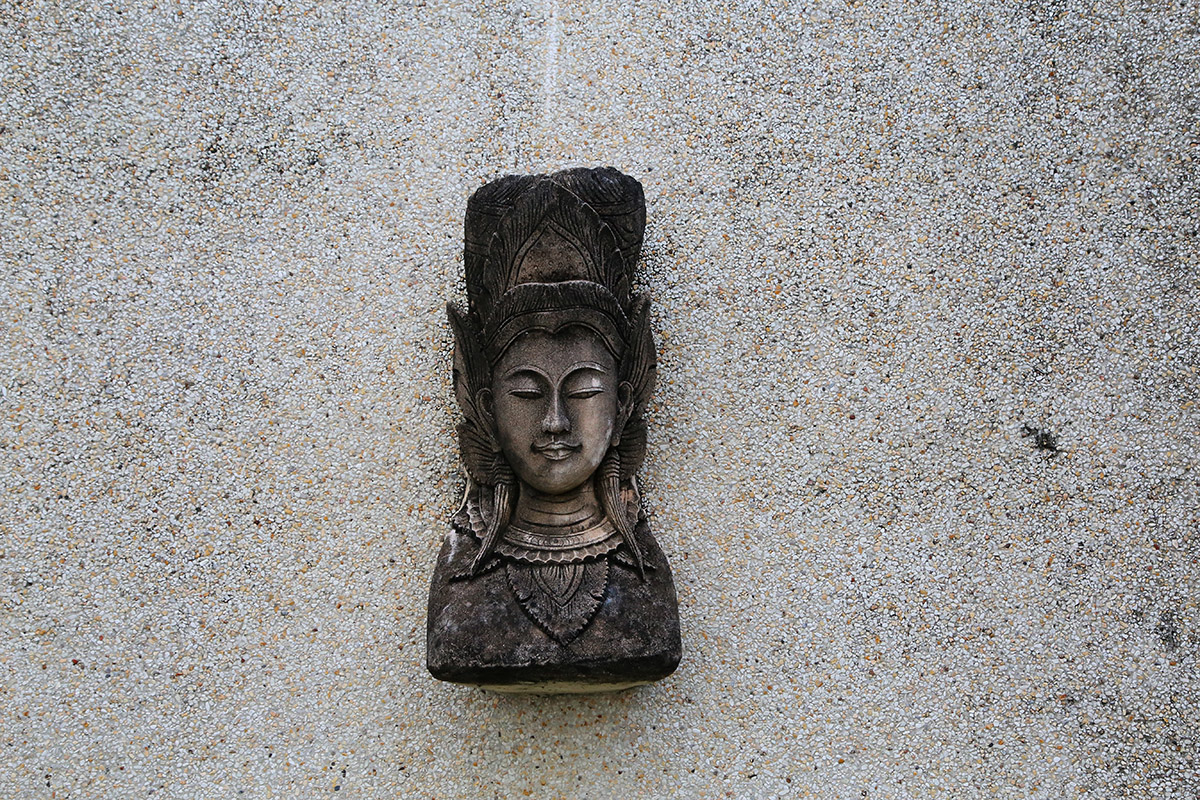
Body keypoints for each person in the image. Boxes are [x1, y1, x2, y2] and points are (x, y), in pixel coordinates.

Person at [425, 167, 681, 692]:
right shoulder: (463, 578)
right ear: (486, 407)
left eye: (584, 391)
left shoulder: (644, 578)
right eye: (526, 393)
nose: (556, 422)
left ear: (623, 404)